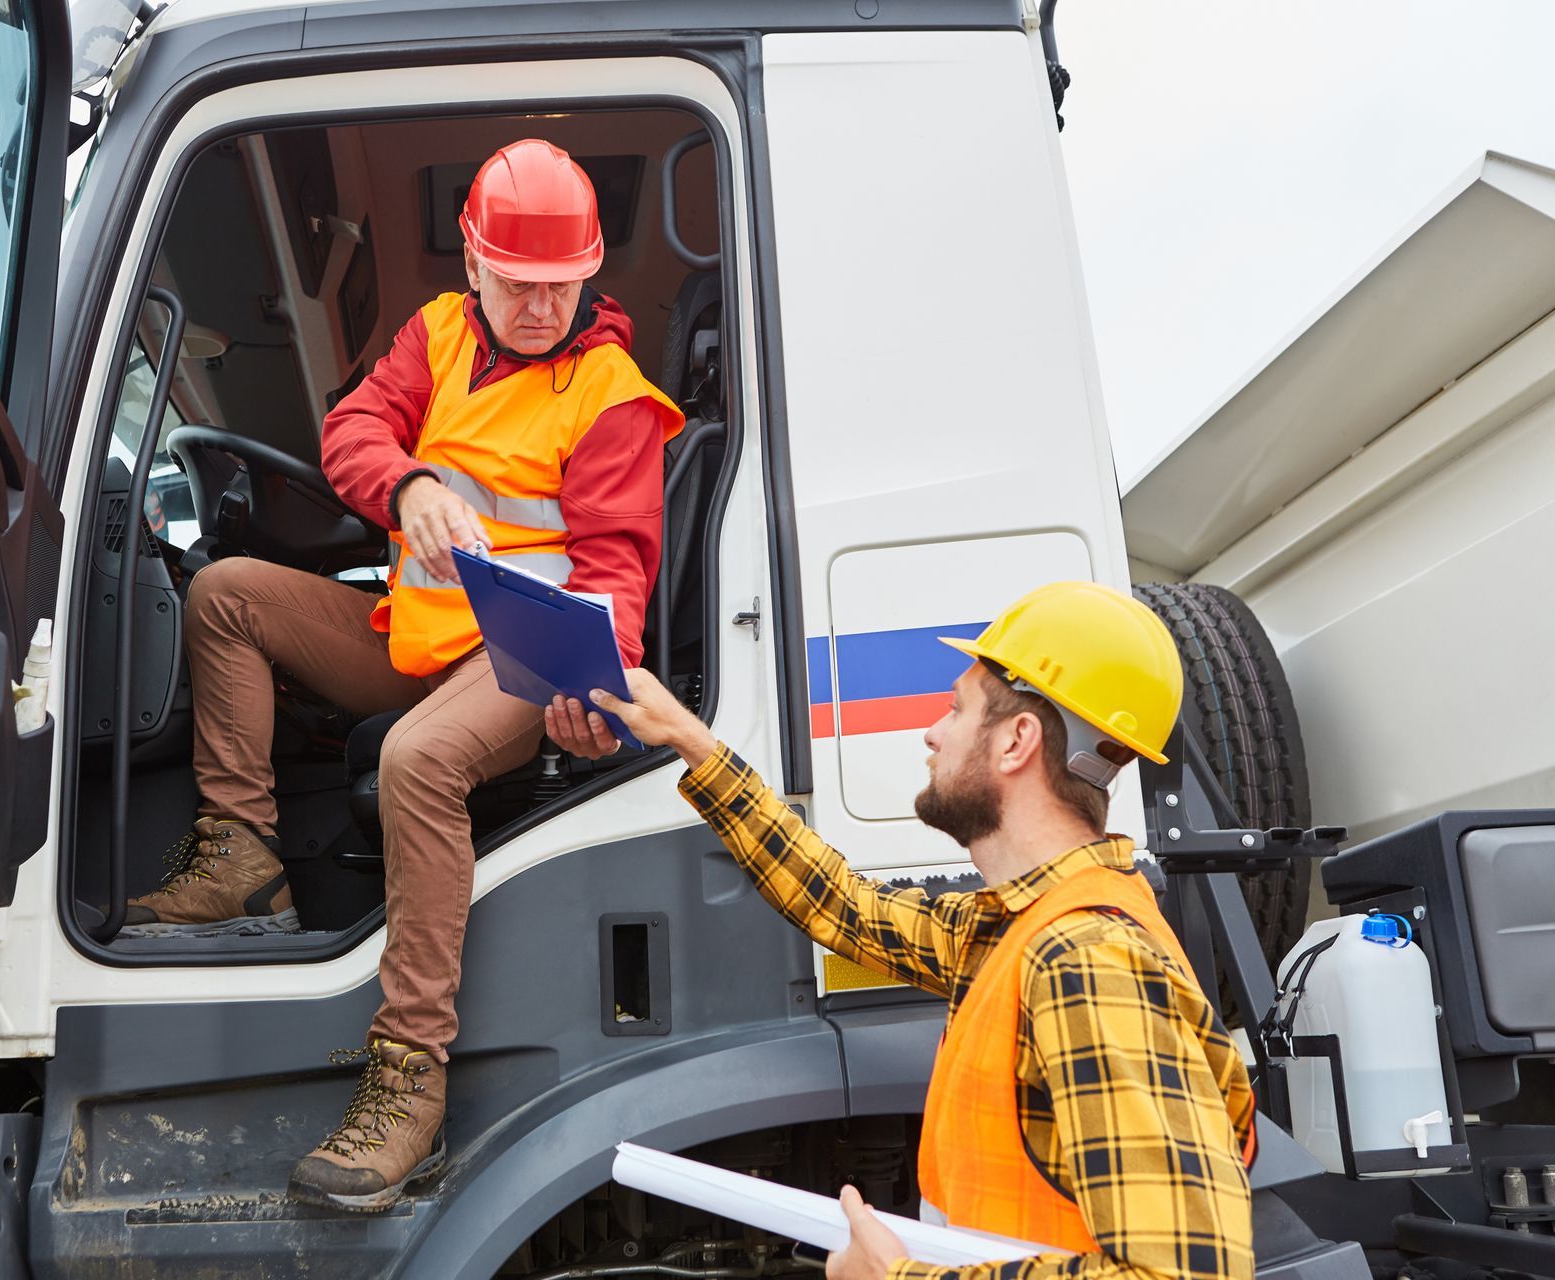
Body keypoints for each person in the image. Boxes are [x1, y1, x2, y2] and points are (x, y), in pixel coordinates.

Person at [120, 138, 684, 1210]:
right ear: (473, 267)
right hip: (415, 635)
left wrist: (597, 698)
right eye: (515, 284)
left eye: (558, 286)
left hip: (521, 660)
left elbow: (616, 581)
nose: (535, 306)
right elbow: (354, 430)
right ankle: (243, 860)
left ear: (588, 273)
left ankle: (409, 1079)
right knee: (225, 591)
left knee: (420, 760)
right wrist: (409, 482)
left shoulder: (611, 396)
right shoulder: (435, 336)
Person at [546, 582, 1258, 1280]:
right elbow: (846, 906)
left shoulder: (1088, 962)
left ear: (1017, 740)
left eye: (955, 710)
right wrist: (691, 742)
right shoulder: (1016, 929)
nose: (931, 732)